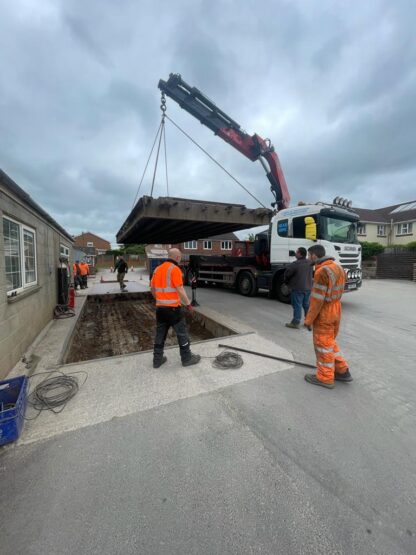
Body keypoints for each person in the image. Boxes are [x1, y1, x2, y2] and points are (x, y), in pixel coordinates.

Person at [304, 244, 353, 389]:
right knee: (330, 343)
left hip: (324, 313)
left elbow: (317, 300)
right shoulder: (338, 267)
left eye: (308, 255)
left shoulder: (321, 272)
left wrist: (308, 320)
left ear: (314, 255)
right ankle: (342, 371)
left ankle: (325, 377)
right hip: (336, 308)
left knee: (323, 345)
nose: (308, 258)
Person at [150, 248, 201, 369]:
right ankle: (187, 358)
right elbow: (180, 289)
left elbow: (152, 288)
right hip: (173, 310)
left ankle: (157, 360)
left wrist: (159, 300)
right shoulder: (175, 269)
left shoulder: (157, 269)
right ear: (177, 257)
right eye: (180, 257)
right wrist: (188, 304)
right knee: (182, 333)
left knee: (160, 334)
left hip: (160, 309)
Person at [284, 247, 313, 329]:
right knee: (306, 305)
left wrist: (286, 282)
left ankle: (295, 323)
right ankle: (308, 322)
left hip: (298, 288)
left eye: (296, 252)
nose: (295, 253)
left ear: (300, 254)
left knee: (297, 305)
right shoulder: (310, 263)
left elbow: (287, 275)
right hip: (308, 288)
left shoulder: (295, 264)